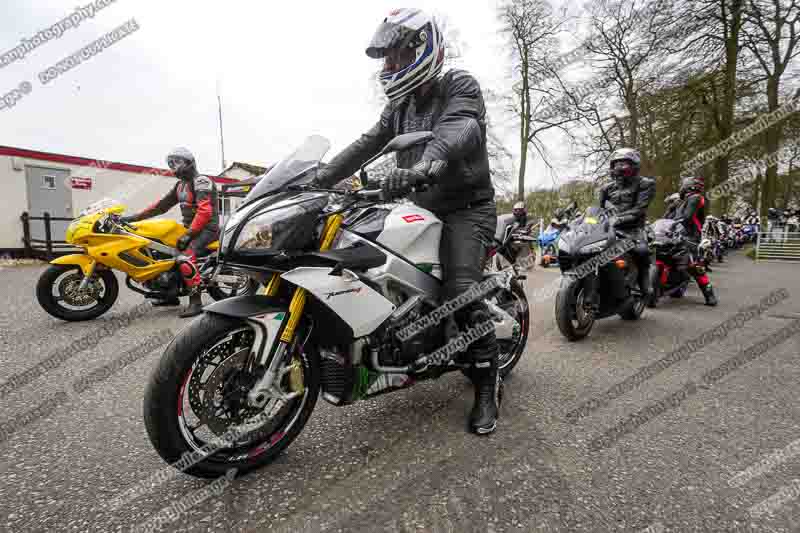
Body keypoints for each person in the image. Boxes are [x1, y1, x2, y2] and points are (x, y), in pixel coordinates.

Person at [311, 8, 501, 435]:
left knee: (460, 291)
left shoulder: (459, 85)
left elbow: (459, 128)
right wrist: (317, 180)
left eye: (395, 57)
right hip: (418, 206)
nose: (388, 67)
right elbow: (365, 145)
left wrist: (426, 165)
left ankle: (487, 385)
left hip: (465, 209)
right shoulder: (398, 107)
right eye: (386, 60)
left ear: (422, 49)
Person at [120, 147, 219, 318]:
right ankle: (169, 295)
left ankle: (196, 301)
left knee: (184, 255)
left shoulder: (202, 181)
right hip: (189, 227)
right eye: (171, 163)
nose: (174, 167)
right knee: (160, 250)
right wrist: (133, 218)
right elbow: (160, 206)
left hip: (207, 229)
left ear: (189, 163)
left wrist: (189, 235)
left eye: (177, 162)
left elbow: (205, 212)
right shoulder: (180, 186)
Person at [598, 147, 656, 299]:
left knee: (642, 251)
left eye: (624, 164)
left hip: (634, 228)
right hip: (609, 227)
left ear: (634, 165)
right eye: (616, 164)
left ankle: (644, 279)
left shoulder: (645, 184)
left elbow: (639, 209)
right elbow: (599, 209)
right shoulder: (606, 187)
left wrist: (619, 219)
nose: (620, 167)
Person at [670, 176, 718, 306]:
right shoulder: (683, 201)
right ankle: (675, 286)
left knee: (694, 266)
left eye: (683, 185)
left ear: (687, 186)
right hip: (676, 234)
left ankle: (710, 295)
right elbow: (668, 217)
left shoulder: (696, 198)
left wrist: (675, 220)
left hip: (690, 236)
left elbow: (687, 217)